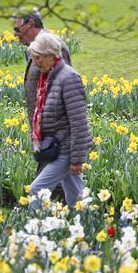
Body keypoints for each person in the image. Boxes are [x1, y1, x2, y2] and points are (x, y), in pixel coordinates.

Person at [27, 32, 92, 210]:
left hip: (66, 150)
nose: (35, 62)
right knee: (76, 197)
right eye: (33, 58)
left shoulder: (68, 78)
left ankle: (32, 233)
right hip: (58, 148)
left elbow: (79, 123)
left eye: (38, 58)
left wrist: (77, 159)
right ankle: (88, 230)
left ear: (51, 55)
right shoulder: (47, 78)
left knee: (36, 191)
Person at [14, 9, 71, 201]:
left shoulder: (53, 47)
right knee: (63, 180)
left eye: (17, 28)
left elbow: (63, 85)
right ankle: (66, 214)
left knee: (46, 181)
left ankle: (42, 217)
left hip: (55, 128)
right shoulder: (34, 49)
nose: (15, 34)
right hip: (43, 126)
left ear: (30, 24)